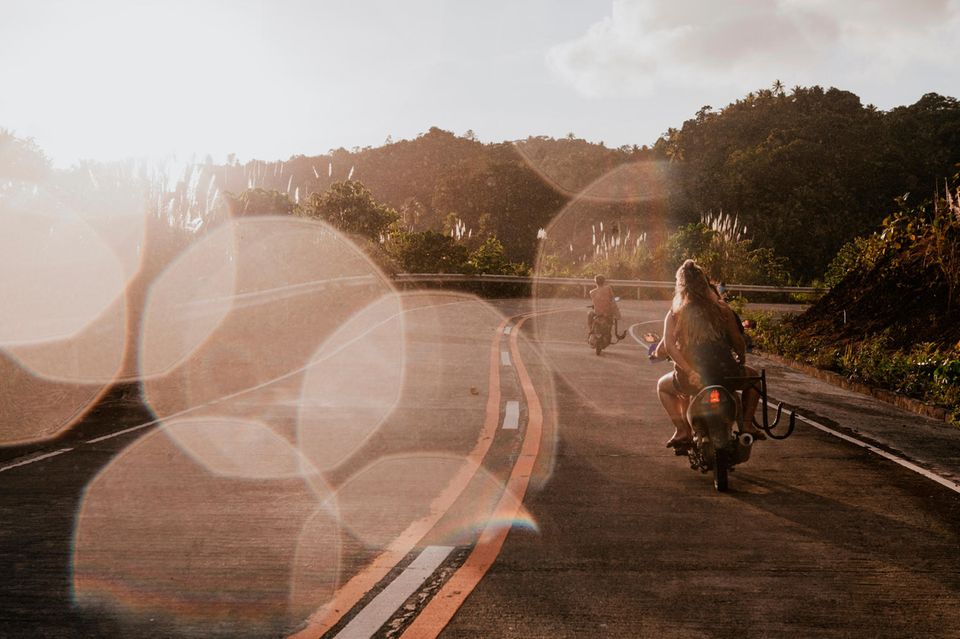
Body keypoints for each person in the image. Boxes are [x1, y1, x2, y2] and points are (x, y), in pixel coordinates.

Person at [656, 260, 762, 449]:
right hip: (727, 374)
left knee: (662, 387)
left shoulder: (675, 313)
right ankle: (746, 425)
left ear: (680, 285)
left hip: (692, 379)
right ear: (705, 283)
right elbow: (738, 341)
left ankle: (682, 431)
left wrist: (690, 371)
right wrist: (741, 358)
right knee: (755, 379)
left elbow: (670, 347)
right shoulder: (722, 309)